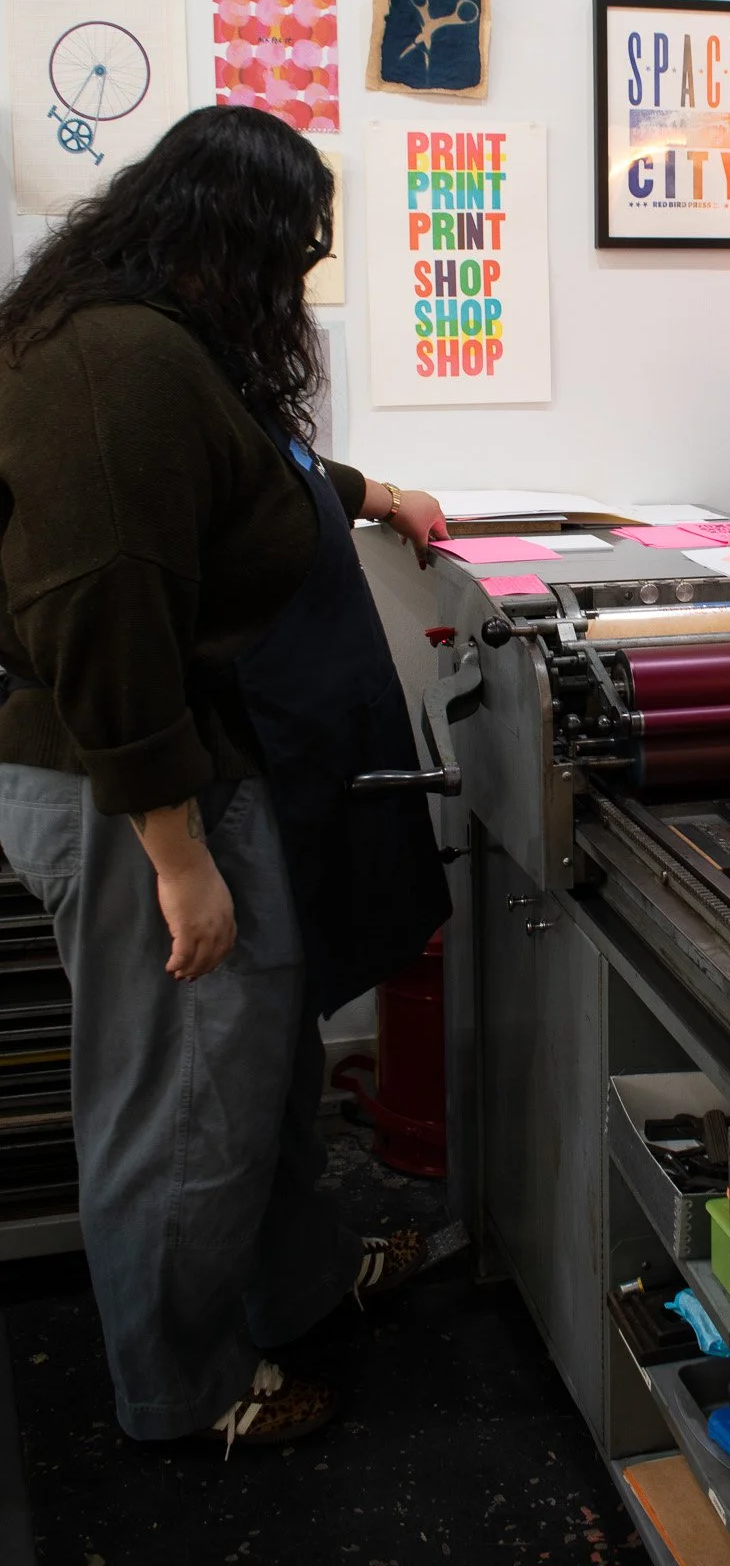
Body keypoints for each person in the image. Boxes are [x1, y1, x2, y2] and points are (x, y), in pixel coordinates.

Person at [0, 107, 454, 1450]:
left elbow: (236, 479)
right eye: (292, 251)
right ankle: (184, 1390)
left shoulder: (154, 339)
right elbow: (107, 612)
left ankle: (297, 1289)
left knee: (257, 1073)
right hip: (137, 791)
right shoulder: (110, 363)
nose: (298, 280)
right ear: (234, 236)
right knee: (183, 1098)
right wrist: (179, 856)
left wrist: (366, 491)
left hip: (194, 779)